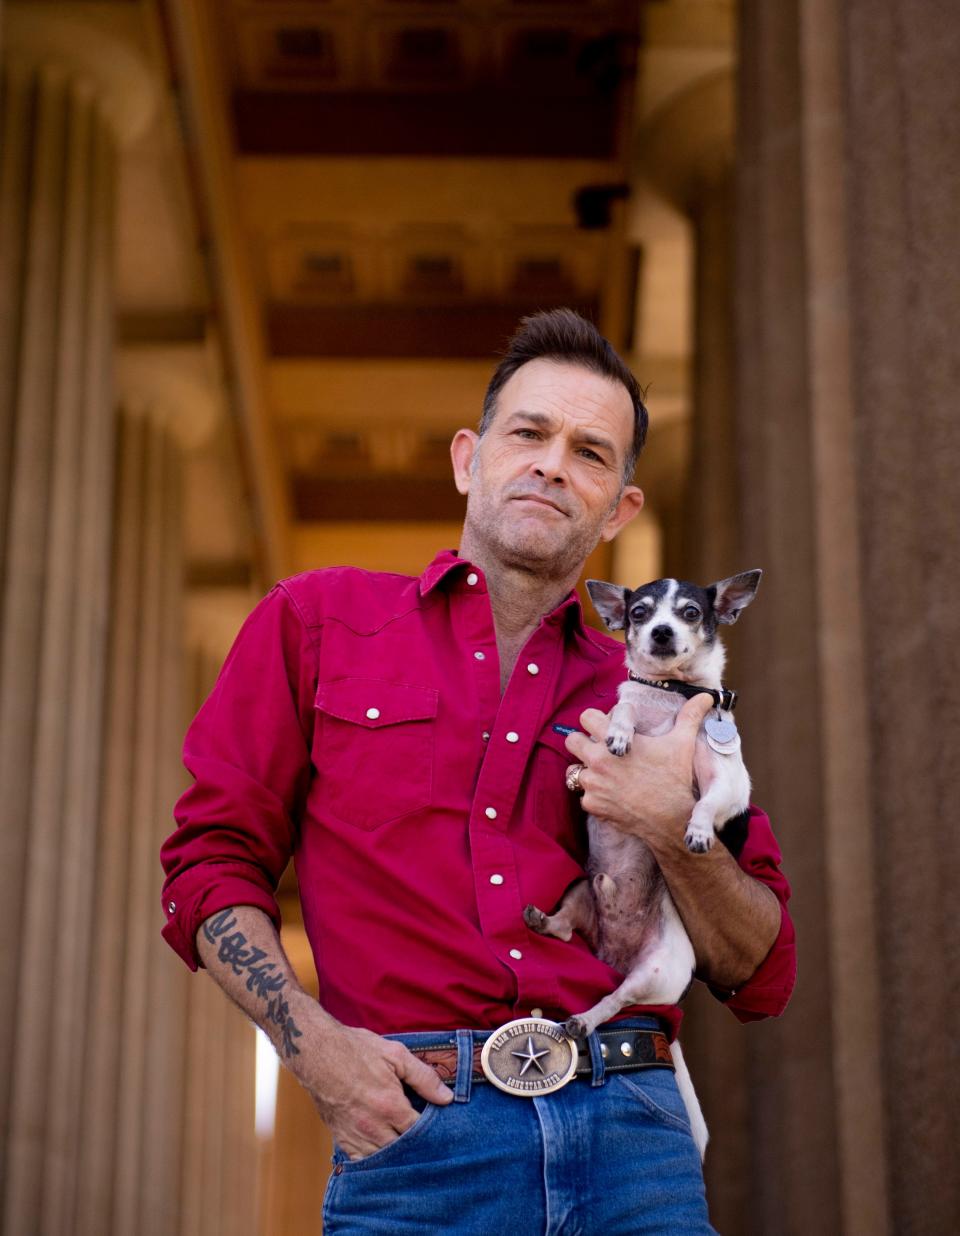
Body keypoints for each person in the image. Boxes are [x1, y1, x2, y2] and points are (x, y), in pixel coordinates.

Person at [160, 309, 796, 1234]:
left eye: (589, 452)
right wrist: (315, 1051)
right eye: (528, 433)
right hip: (416, 1139)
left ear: (620, 506)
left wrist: (668, 823)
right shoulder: (316, 622)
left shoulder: (651, 695)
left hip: (632, 1140)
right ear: (469, 458)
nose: (550, 464)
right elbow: (208, 863)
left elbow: (763, 969)